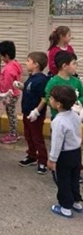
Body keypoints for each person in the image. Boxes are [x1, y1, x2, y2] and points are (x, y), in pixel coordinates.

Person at [47, 86, 82, 218]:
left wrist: (52, 159)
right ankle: (76, 202)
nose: (49, 99)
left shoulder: (58, 121)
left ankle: (65, 207)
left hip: (64, 155)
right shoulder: (74, 115)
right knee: (74, 178)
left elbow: (57, 143)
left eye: (51, 98)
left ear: (58, 104)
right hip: (76, 152)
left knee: (63, 180)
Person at [18, 52, 49, 174]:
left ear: (36, 64)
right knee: (28, 136)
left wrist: (37, 111)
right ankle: (32, 156)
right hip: (26, 113)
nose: (26, 63)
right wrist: (21, 87)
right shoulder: (31, 77)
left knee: (37, 138)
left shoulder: (41, 80)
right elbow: (29, 90)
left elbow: (44, 98)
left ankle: (42, 161)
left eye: (28, 61)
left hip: (35, 116)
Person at [45, 51, 83, 121]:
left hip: (74, 116)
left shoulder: (77, 81)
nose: (76, 66)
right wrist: (63, 105)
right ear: (64, 66)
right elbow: (48, 99)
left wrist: (78, 102)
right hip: (58, 117)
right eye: (74, 63)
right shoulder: (53, 82)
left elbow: (82, 95)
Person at [0, 41, 23, 144]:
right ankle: (14, 132)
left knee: (11, 114)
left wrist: (3, 95)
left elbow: (7, 84)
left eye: (1, 55)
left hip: (9, 95)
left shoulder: (8, 69)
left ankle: (13, 134)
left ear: (6, 55)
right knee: (12, 114)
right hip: (14, 93)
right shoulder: (15, 64)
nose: (1, 57)